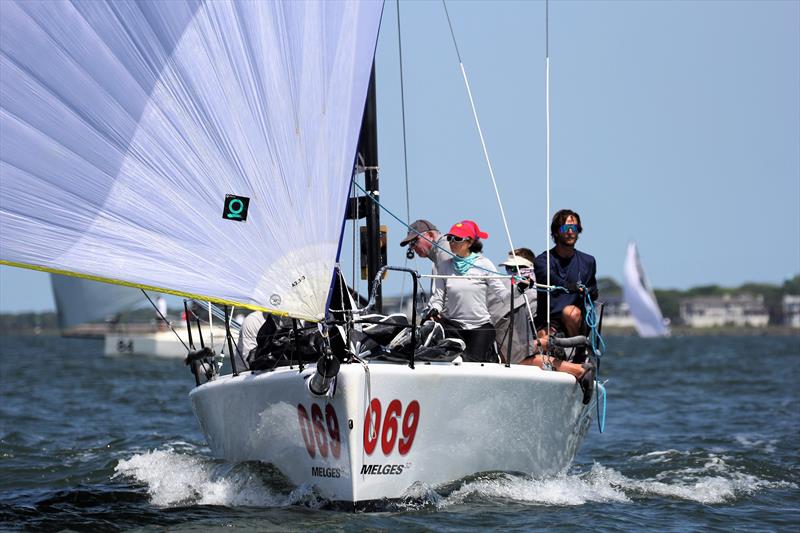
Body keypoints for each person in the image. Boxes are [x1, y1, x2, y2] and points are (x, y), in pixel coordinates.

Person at [525, 209, 597, 403]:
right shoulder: (542, 261)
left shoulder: (588, 261)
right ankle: (557, 369)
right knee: (543, 338)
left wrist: (585, 291)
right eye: (566, 227)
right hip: (548, 317)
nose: (571, 232)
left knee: (570, 312)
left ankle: (578, 358)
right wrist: (572, 287)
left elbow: (593, 290)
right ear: (556, 231)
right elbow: (551, 279)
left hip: (574, 319)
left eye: (574, 227)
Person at [426, 220, 508, 363]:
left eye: (457, 238)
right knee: (454, 360)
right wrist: (434, 309)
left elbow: (502, 294)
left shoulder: (484, 264)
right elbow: (438, 298)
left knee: (474, 363)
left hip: (480, 326)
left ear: (469, 243)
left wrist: (520, 290)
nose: (452, 242)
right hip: (454, 325)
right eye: (450, 238)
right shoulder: (444, 266)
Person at [494, 248, 537, 363]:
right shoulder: (502, 286)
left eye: (514, 268)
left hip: (525, 346)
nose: (510, 272)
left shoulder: (536, 292)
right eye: (508, 268)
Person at [399, 219, 451, 295]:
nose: (413, 248)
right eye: (410, 245)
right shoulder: (437, 256)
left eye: (414, 241)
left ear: (430, 235)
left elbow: (450, 288)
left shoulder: (445, 248)